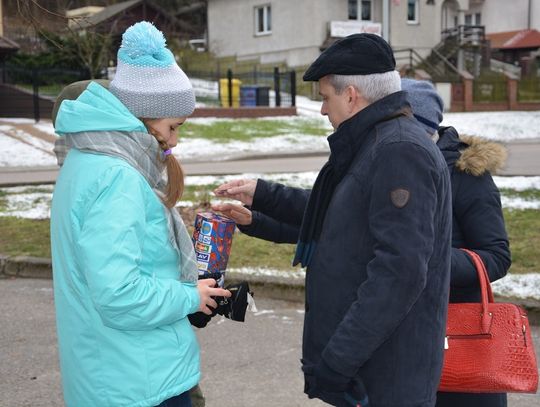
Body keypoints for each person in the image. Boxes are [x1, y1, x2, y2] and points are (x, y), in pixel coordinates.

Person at [214, 33, 453, 406]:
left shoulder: (398, 151)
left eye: (326, 98)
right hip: (371, 371)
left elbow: (399, 273)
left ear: (351, 95)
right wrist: (260, 199)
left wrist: (339, 360)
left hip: (384, 377)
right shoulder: (375, 143)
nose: (324, 110)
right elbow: (338, 217)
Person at [50, 21, 230, 407]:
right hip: (139, 383)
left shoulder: (86, 162)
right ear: (148, 118)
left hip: (116, 372)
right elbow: (118, 294)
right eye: (173, 126)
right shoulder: (117, 178)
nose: (175, 139)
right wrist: (189, 297)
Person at [400, 78, 511, 407]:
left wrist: (425, 261)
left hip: (460, 338)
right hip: (402, 337)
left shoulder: (466, 175)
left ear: (420, 127)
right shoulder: (393, 169)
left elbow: (496, 256)